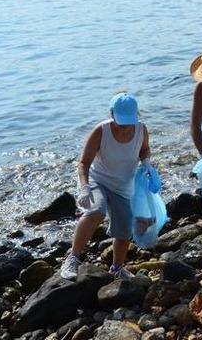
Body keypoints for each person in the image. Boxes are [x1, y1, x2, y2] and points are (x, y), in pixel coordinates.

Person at [60, 92, 151, 280]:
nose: (125, 126)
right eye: (121, 121)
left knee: (125, 227)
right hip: (97, 180)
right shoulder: (102, 131)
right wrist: (84, 187)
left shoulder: (141, 130)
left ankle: (117, 268)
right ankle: (72, 258)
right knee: (96, 211)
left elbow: (144, 150)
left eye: (129, 121)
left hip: (123, 185)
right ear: (111, 114)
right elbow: (83, 163)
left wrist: (147, 164)